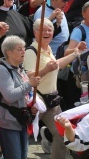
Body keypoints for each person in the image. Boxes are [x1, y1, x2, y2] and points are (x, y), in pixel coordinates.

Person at [24, 18, 86, 159]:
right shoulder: (31, 51)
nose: (47, 32)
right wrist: (45, 70)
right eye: (43, 30)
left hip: (51, 101)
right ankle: (0, 148)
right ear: (35, 32)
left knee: (61, 132)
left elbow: (57, 64)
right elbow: (28, 77)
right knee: (22, 134)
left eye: (49, 30)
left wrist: (75, 53)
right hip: (36, 101)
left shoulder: (48, 49)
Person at [0, 35, 41, 159]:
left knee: (22, 156)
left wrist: (31, 106)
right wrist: (29, 83)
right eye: (19, 49)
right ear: (8, 52)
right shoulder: (2, 70)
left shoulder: (19, 68)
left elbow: (23, 94)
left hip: (21, 120)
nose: (24, 51)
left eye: (24, 48)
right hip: (9, 122)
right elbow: (10, 96)